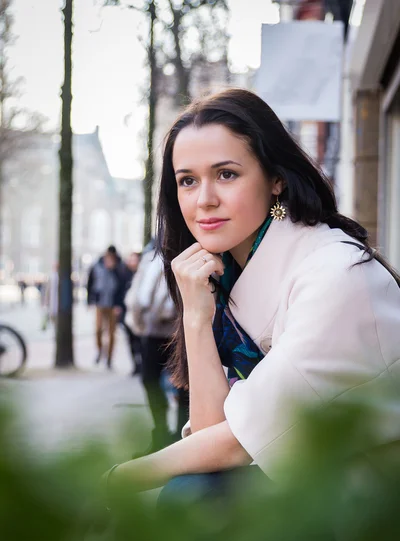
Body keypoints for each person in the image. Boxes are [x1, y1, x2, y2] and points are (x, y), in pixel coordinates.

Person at [103, 89, 400, 505]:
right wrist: (196, 317)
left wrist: (118, 477)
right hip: (315, 491)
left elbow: (241, 441)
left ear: (276, 179)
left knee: (188, 499)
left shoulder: (335, 275)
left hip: (368, 513)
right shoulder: (228, 280)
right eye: (188, 180)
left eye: (226, 174)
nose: (204, 199)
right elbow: (213, 438)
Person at [128, 240, 180, 454]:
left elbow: (141, 298)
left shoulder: (159, 258)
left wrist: (139, 321)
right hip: (166, 331)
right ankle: (168, 435)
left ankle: (172, 436)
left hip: (167, 331)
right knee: (159, 381)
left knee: (173, 383)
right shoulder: (154, 256)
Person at [87, 245, 126, 369]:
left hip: (113, 304)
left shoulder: (119, 267)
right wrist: (90, 300)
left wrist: (118, 304)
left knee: (112, 332)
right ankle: (99, 351)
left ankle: (109, 358)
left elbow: (122, 286)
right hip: (100, 303)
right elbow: (90, 283)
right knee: (98, 329)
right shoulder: (96, 265)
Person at [119, 252, 143, 375]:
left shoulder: (142, 275)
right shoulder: (124, 274)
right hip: (126, 313)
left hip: (140, 314)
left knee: (140, 341)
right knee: (130, 340)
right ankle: (135, 364)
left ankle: (141, 364)